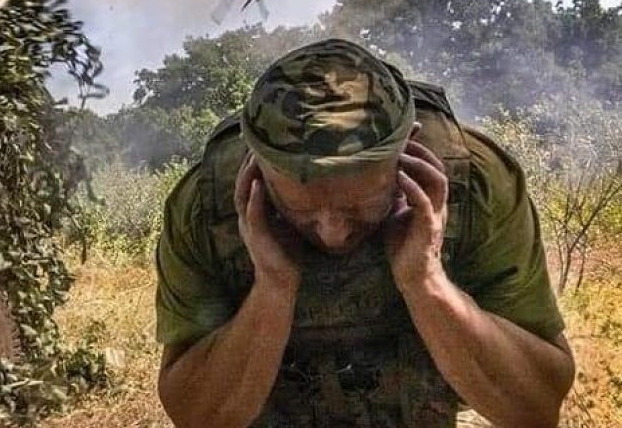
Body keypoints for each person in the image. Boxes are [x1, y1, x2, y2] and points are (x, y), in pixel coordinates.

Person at [155, 39, 575, 428]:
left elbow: (535, 407)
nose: (333, 233)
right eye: (302, 210)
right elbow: (196, 416)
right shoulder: (205, 207)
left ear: (407, 151)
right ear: (256, 169)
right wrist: (273, 290)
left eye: (358, 207)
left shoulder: (476, 181)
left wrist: (425, 281)